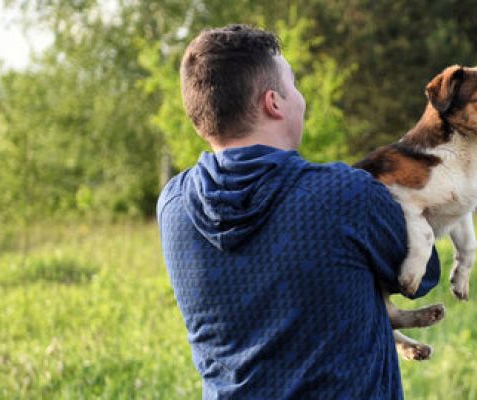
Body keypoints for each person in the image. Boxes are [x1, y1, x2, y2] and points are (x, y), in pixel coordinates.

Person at [157, 24, 440, 399]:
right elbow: (424, 274)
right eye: (294, 85)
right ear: (273, 102)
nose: (301, 98)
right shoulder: (345, 194)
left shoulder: (173, 205)